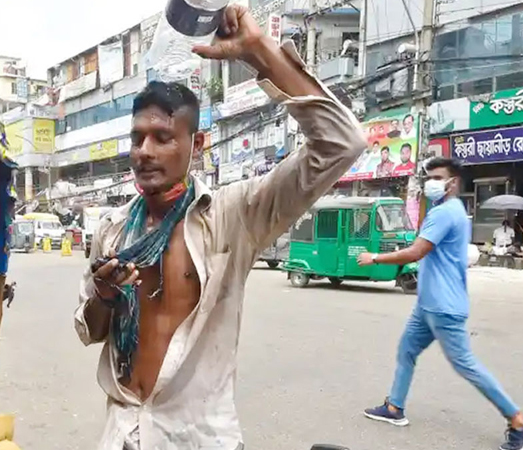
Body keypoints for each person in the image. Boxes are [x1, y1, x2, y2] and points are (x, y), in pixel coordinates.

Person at [73, 5, 366, 449]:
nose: (144, 152)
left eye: (163, 137)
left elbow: (343, 144)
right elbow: (91, 329)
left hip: (197, 438)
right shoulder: (114, 231)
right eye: (137, 138)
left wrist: (259, 52)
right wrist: (105, 296)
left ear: (197, 142)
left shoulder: (234, 215)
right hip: (123, 434)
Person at [358, 157, 523, 450]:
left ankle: (518, 421)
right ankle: (394, 408)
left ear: (453, 182)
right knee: (407, 350)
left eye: (437, 177)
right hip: (428, 305)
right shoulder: (451, 209)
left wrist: (375, 258)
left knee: (466, 365)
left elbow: (416, 252)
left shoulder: (444, 213)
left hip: (443, 307)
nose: (430, 182)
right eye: (428, 177)